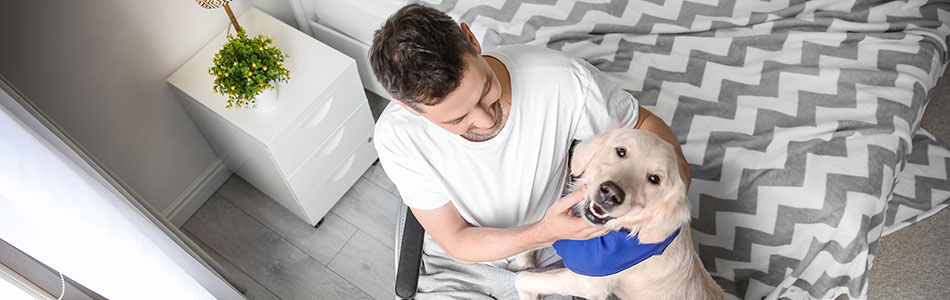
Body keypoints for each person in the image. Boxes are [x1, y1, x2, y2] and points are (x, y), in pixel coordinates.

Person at [370, 3, 689, 299]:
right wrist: (540, 233)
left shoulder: (566, 82)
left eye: (485, 91)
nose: (485, 119)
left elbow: (645, 124)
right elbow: (455, 239)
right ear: (407, 106)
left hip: (561, 256)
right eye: (458, 119)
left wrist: (671, 191)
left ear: (472, 39)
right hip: (465, 261)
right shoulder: (397, 137)